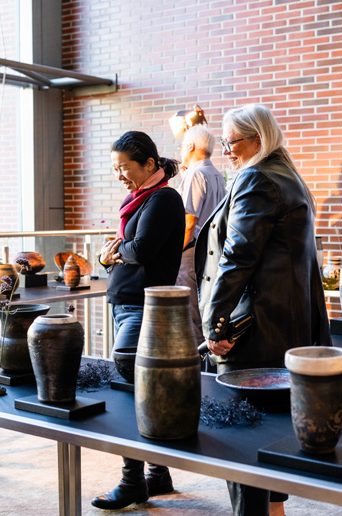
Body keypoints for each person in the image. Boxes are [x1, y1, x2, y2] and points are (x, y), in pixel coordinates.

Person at [195, 104, 331, 516]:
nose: (226, 152)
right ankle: (274, 510)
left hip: (253, 332)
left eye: (231, 143)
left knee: (241, 443)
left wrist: (214, 324)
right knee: (269, 436)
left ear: (258, 138)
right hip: (285, 329)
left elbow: (237, 258)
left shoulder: (257, 178)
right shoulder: (288, 175)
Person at [91, 131, 185, 510]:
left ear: (149, 163)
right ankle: (158, 474)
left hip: (143, 307)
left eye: (124, 167)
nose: (119, 176)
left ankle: (133, 482)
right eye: (115, 169)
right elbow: (123, 250)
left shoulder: (163, 199)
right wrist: (109, 257)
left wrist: (114, 254)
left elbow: (141, 249)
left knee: (132, 395)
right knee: (142, 393)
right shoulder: (141, 199)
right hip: (127, 304)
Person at [175, 125, 226, 344]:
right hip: (210, 249)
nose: (180, 150)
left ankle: (194, 361)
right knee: (203, 309)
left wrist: (175, 252)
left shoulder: (195, 174)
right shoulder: (217, 175)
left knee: (190, 313)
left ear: (190, 146)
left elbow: (189, 222)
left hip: (191, 250)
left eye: (182, 145)